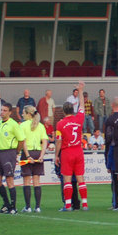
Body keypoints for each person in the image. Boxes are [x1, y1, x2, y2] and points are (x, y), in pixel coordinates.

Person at [55, 82, 90, 211]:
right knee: (81, 178)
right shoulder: (79, 118)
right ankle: (85, 204)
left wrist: (55, 156)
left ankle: (68, 205)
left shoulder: (60, 124)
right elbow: (82, 105)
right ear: (72, 110)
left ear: (64, 111)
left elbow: (58, 141)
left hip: (67, 152)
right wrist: (81, 90)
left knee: (67, 179)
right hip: (78, 151)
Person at [0, 102, 28, 214]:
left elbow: (21, 139)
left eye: (4, 110)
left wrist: (16, 152)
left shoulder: (13, 124)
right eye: (1, 110)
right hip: (0, 152)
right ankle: (6, 204)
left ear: (9, 112)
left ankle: (13, 207)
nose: (2, 112)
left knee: (9, 180)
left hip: (9, 152)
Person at [19, 105, 49, 213]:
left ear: (28, 114)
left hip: (28, 153)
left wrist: (27, 155)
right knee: (37, 181)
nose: (22, 115)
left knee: (26, 180)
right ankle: (37, 207)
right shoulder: (41, 126)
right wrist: (42, 155)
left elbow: (23, 142)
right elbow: (44, 141)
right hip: (38, 153)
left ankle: (28, 207)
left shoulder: (22, 125)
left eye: (23, 113)